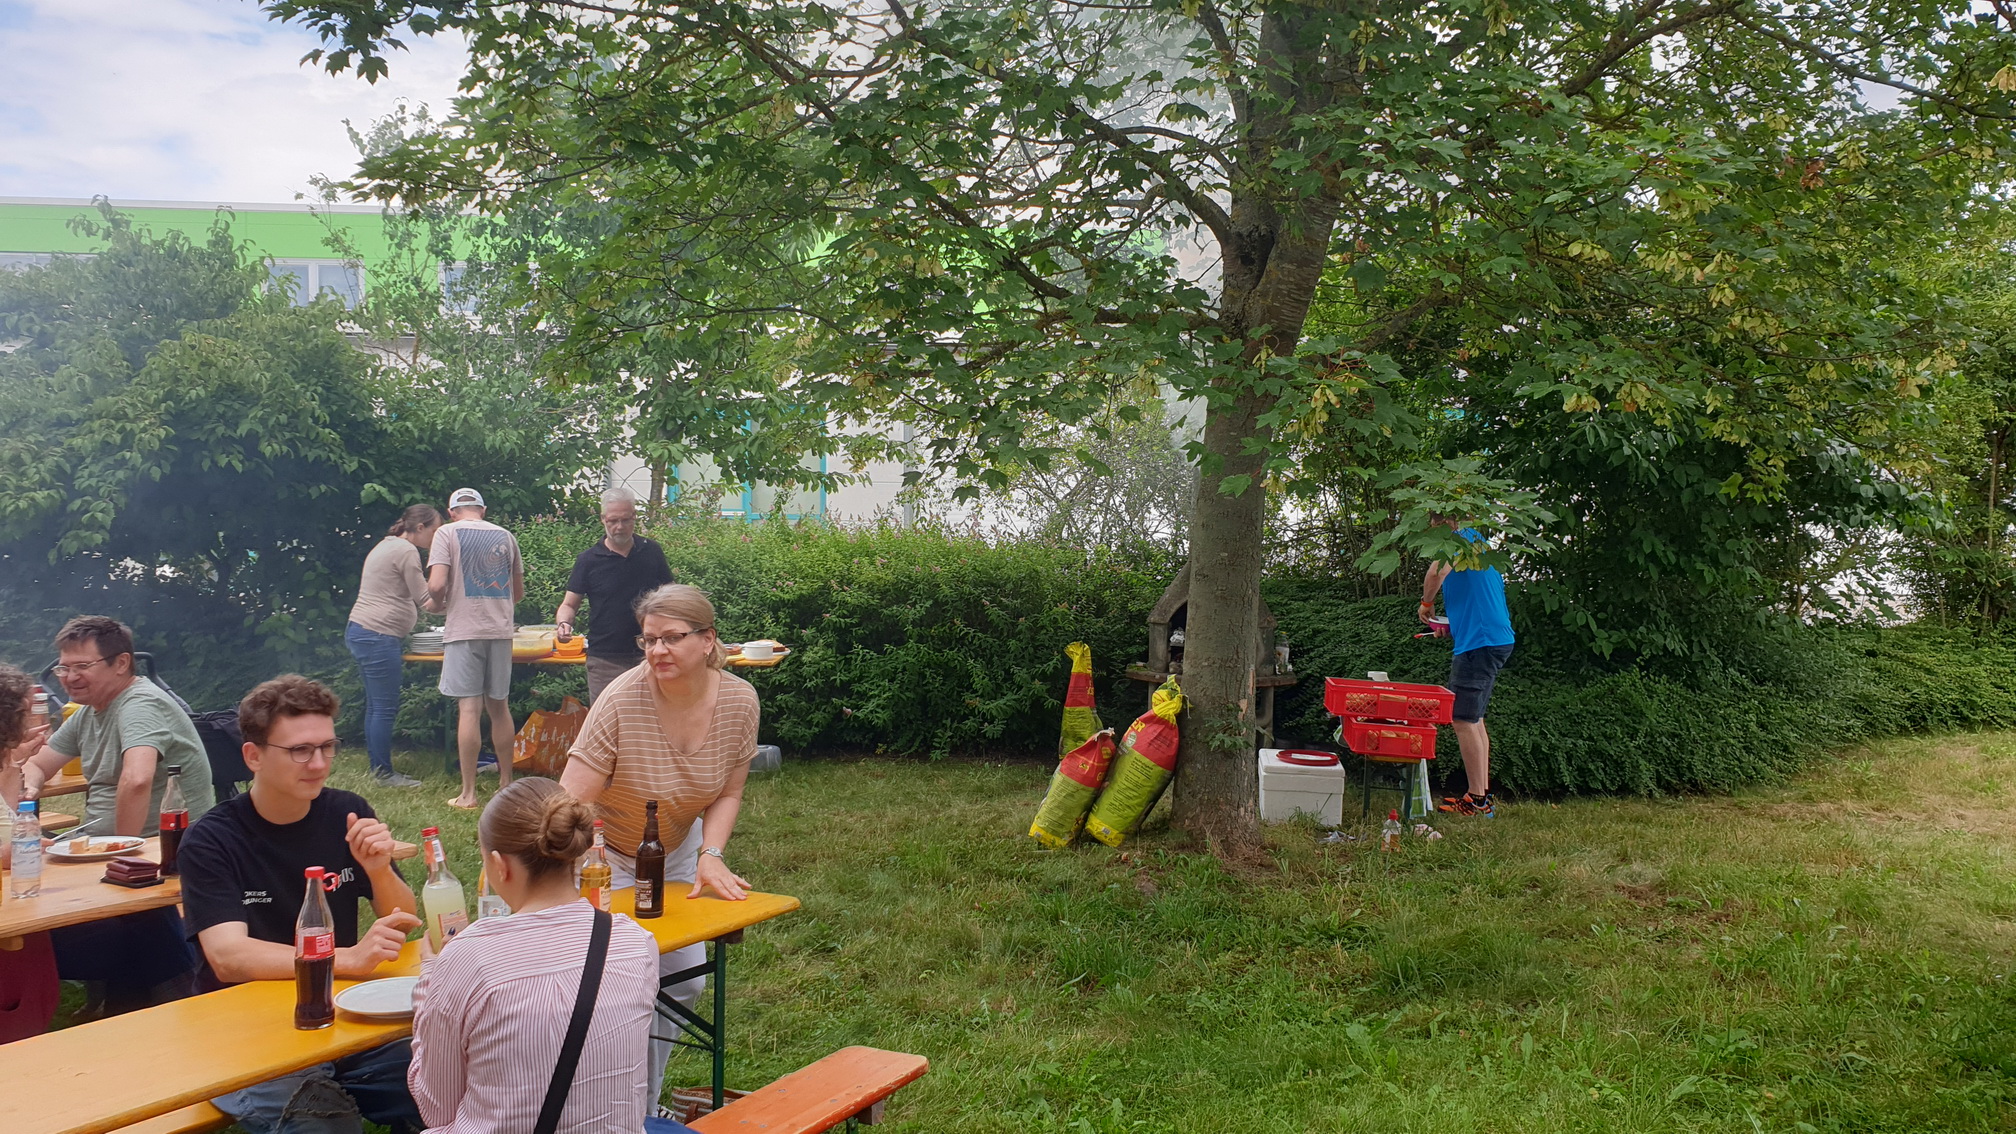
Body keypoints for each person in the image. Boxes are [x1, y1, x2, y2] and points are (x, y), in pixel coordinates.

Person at [179, 675, 423, 1134]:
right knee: (324, 1123)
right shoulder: (212, 839)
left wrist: (378, 870)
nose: (318, 763)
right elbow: (228, 958)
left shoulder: (347, 811)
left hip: (342, 1015)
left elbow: (402, 920)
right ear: (253, 756)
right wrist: (346, 959)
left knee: (450, 1073)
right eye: (300, 751)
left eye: (327, 747)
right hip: (242, 1029)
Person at [560, 582, 759, 1102]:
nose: (657, 651)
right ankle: (606, 1105)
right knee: (620, 981)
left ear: (707, 640)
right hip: (604, 855)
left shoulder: (740, 700)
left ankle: (643, 1105)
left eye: (671, 638)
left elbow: (729, 792)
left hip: (675, 850)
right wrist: (580, 873)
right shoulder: (622, 698)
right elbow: (568, 804)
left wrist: (711, 854)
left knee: (685, 979)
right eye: (648, 640)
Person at [408, 778, 663, 1134]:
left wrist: (429, 981)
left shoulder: (468, 957)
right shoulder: (636, 943)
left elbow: (436, 1109)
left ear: (499, 865)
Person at [19, 616, 216, 1015]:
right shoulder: (91, 711)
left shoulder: (139, 705)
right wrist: (27, 793)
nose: (69, 677)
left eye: (81, 666)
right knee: (32, 879)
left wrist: (122, 852)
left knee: (60, 925)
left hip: (163, 853)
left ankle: (169, 996)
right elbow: (38, 764)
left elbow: (138, 778)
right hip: (102, 851)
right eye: (63, 668)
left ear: (121, 663)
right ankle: (141, 998)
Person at [428, 487, 524, 810]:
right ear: (483, 510)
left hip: (464, 630)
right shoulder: (506, 536)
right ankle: (506, 784)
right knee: (500, 707)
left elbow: (437, 584)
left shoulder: (446, 533)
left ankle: (468, 794)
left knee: (469, 709)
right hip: (500, 631)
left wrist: (437, 603)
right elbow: (517, 592)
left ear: (451, 512)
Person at [1418, 519, 1517, 817]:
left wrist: (1426, 604)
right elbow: (1477, 598)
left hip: (1479, 642)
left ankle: (1477, 801)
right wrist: (1452, 625)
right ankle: (1480, 795)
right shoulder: (1478, 544)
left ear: (1443, 520)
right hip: (1490, 638)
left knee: (1462, 719)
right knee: (1475, 719)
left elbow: (1436, 572)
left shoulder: (1457, 541)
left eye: (1433, 522)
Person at [347, 503, 444, 787]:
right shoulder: (405, 551)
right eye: (435, 531)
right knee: (384, 708)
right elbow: (425, 599)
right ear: (420, 527)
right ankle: (384, 773)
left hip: (362, 630)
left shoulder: (387, 544)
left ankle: (378, 768)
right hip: (378, 634)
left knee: (376, 706)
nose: (436, 538)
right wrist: (461, 605)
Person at [554, 489, 674, 703]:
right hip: (605, 659)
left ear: (634, 517)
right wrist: (564, 623)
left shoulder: (652, 551)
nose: (619, 527)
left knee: (655, 719)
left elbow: (672, 597)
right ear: (603, 519)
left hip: (652, 654)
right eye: (613, 521)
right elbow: (569, 605)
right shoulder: (588, 560)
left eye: (625, 520)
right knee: (605, 720)